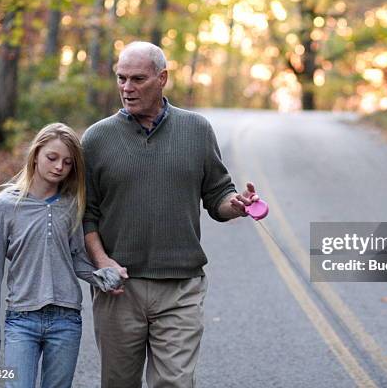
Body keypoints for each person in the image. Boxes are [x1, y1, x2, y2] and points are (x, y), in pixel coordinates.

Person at [81, 41, 259, 387]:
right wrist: (102, 261)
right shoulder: (96, 139)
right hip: (119, 288)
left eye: (138, 79)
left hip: (180, 287)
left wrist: (235, 205)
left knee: (175, 383)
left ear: (162, 78)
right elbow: (86, 213)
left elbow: (218, 194)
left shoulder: (197, 130)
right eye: (121, 79)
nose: (127, 89)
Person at [0, 123, 123, 388]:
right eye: (52, 157)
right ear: (35, 154)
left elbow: (75, 259)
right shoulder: (6, 206)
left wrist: (102, 276)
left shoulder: (71, 205)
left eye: (68, 163)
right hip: (22, 319)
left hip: (66, 320)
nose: (59, 167)